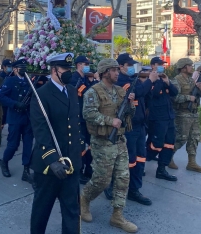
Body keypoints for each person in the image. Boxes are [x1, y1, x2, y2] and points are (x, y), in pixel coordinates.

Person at [80, 58, 137, 233]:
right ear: (105, 72)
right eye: (114, 71)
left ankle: (117, 216)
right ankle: (84, 199)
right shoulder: (93, 92)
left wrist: (130, 104)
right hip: (102, 142)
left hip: (120, 141)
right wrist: (109, 120)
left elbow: (129, 116)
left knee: (123, 178)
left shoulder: (121, 91)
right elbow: (88, 114)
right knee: (102, 180)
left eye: (117, 71)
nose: (117, 73)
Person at [29, 53, 82, 234]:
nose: (69, 73)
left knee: (72, 211)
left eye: (70, 69)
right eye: (65, 69)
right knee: (41, 211)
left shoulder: (73, 91)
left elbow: (75, 123)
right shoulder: (41, 95)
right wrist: (52, 159)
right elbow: (40, 130)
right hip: (50, 167)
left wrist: (81, 147)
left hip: (72, 163)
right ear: (54, 71)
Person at [116, 53, 158, 206]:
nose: (133, 68)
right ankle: (118, 187)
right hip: (129, 127)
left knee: (140, 158)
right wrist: (149, 81)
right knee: (128, 160)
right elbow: (135, 93)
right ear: (121, 67)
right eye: (129, 65)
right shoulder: (121, 81)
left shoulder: (132, 80)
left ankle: (134, 189)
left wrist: (150, 83)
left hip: (140, 125)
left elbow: (144, 95)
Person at [0, 59, 34, 183]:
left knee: (28, 144)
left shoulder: (30, 81)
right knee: (13, 145)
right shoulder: (10, 81)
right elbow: (1, 96)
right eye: (20, 67)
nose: (23, 69)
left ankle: (26, 170)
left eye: (25, 67)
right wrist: (15, 104)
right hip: (15, 117)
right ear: (15, 69)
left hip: (28, 117)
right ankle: (5, 161)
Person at [169, 58, 201, 173]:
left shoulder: (191, 80)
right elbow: (174, 97)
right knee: (181, 138)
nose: (192, 67)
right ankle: (168, 157)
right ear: (183, 68)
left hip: (193, 114)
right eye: (189, 65)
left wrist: (200, 90)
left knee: (194, 138)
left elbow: (197, 96)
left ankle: (192, 162)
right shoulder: (176, 81)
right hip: (182, 114)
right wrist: (187, 98)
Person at [146, 57, 178, 181]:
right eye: (159, 64)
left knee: (169, 144)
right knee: (156, 144)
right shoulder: (150, 80)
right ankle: (142, 160)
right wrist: (158, 80)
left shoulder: (164, 79)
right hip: (157, 118)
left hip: (169, 116)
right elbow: (153, 94)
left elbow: (175, 93)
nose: (162, 66)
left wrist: (167, 82)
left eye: (162, 64)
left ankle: (161, 169)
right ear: (153, 65)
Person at [70, 55, 94, 184]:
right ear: (79, 65)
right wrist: (95, 82)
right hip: (79, 116)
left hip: (86, 116)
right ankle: (78, 171)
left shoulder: (84, 78)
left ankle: (88, 170)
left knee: (89, 145)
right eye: (85, 64)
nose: (87, 66)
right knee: (80, 145)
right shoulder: (75, 78)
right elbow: (87, 92)